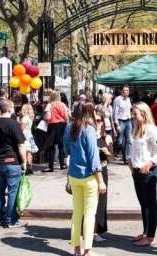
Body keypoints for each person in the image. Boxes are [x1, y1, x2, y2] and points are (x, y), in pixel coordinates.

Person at [63, 102, 107, 256]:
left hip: (74, 175)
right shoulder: (88, 129)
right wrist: (101, 180)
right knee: (89, 215)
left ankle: (76, 249)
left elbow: (66, 150)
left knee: (77, 214)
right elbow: (93, 158)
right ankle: (87, 251)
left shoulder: (69, 127)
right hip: (89, 177)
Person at [129, 102, 157, 247]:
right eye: (132, 114)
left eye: (135, 114)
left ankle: (151, 237)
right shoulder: (136, 128)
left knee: (150, 205)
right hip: (136, 172)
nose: (133, 117)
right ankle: (146, 231)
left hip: (148, 172)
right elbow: (133, 148)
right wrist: (130, 162)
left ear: (143, 114)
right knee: (143, 205)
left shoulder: (152, 130)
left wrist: (149, 164)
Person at [0, 100, 27, 227]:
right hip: (12, 161)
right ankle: (11, 220)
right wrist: (25, 162)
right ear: (10, 109)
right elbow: (21, 145)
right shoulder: (13, 124)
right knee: (12, 192)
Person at [93, 111, 114, 242]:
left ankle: (97, 231)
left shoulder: (107, 137)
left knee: (101, 202)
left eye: (99, 120)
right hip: (89, 172)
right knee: (89, 202)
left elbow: (112, 156)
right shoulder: (86, 135)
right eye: (94, 120)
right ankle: (86, 230)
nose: (97, 122)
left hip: (103, 169)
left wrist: (107, 152)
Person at [43, 90, 69, 172]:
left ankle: (51, 166)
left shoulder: (49, 105)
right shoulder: (63, 105)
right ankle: (62, 164)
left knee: (51, 146)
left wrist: (45, 119)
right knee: (61, 145)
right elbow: (67, 116)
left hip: (53, 126)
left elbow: (48, 117)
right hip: (62, 125)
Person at [113, 85, 132, 164]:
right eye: (125, 90)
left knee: (129, 140)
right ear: (121, 91)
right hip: (121, 121)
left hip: (128, 120)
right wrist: (116, 124)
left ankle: (127, 157)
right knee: (120, 141)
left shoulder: (128, 99)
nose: (126, 92)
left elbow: (130, 108)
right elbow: (115, 112)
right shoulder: (117, 100)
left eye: (127, 90)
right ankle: (115, 151)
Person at [20, 104, 37, 175]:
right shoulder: (30, 118)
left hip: (24, 136)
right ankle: (30, 166)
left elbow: (21, 128)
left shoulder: (25, 118)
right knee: (29, 152)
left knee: (25, 151)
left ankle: (26, 167)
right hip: (29, 135)